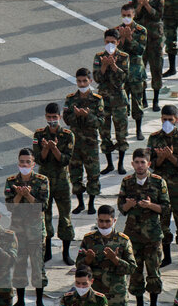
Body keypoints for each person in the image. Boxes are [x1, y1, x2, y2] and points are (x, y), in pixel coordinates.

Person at [117, 148, 170, 306]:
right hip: (133, 236)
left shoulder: (158, 182)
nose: (140, 166)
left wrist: (150, 206)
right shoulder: (127, 182)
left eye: (143, 162)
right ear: (132, 164)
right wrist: (129, 205)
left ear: (148, 164)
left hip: (153, 236)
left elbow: (165, 208)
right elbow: (121, 208)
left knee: (153, 272)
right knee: (136, 272)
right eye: (137, 162)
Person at [148, 105, 178, 269]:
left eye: (170, 119)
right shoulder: (154, 138)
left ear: (176, 119)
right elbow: (151, 164)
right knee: (163, 224)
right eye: (164, 119)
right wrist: (161, 158)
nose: (167, 122)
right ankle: (166, 257)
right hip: (160, 190)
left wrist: (171, 157)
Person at [5, 148, 49, 306]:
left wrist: (28, 196)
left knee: (38, 267)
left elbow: (43, 206)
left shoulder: (42, 180)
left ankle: (39, 301)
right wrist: (18, 195)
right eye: (22, 162)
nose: (24, 164)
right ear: (18, 163)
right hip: (18, 231)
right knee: (19, 265)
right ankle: (21, 300)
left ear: (33, 163)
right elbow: (10, 206)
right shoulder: (11, 181)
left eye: (27, 162)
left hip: (35, 231)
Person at [33, 102, 75, 263]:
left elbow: (65, 160)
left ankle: (66, 253)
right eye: (49, 117)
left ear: (60, 117)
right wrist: (45, 148)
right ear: (45, 117)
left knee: (65, 216)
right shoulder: (39, 135)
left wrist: (55, 149)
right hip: (44, 182)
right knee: (45, 215)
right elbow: (38, 160)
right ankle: (47, 250)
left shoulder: (67, 135)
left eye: (54, 117)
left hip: (62, 181)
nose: (52, 121)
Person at [64, 68, 105, 214]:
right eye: (79, 81)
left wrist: (88, 116)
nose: (82, 84)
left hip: (90, 143)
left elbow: (100, 122)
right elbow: (67, 119)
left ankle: (92, 203)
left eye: (84, 81)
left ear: (90, 81)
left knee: (93, 174)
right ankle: (80, 203)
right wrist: (76, 115)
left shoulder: (97, 99)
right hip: (75, 143)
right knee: (75, 174)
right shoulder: (70, 99)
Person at [94, 28, 131, 173]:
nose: (110, 44)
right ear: (104, 42)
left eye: (113, 42)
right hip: (103, 101)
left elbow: (124, 78)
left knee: (121, 134)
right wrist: (103, 66)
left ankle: (120, 164)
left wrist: (114, 66)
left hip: (119, 101)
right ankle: (109, 164)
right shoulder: (98, 57)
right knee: (104, 133)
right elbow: (97, 79)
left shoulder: (123, 56)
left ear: (118, 42)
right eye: (108, 42)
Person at [130, 0, 166, 110]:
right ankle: (143, 97)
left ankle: (156, 99)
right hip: (140, 38)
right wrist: (139, 5)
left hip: (155, 37)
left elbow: (158, 15)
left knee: (157, 68)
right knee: (141, 68)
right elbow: (133, 15)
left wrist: (147, 5)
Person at [116, 2, 149, 138]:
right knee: (122, 104)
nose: (126, 18)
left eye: (129, 15)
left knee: (137, 102)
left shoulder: (141, 31)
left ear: (134, 15)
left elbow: (140, 50)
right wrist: (122, 38)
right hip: (122, 73)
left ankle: (138, 129)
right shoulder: (116, 31)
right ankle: (124, 130)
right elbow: (115, 52)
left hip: (136, 73)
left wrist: (130, 38)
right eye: (124, 15)